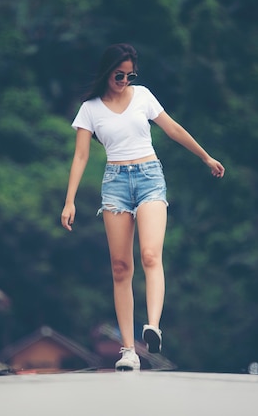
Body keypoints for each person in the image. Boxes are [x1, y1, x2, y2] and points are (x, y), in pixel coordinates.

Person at [60, 43, 225, 371]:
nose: (124, 80)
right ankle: (128, 351)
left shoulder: (143, 96)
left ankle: (152, 326)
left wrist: (205, 156)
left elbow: (173, 128)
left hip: (150, 176)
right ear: (107, 72)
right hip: (115, 184)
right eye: (119, 75)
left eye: (129, 75)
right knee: (121, 268)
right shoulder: (90, 109)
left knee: (150, 255)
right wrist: (69, 201)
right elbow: (80, 156)